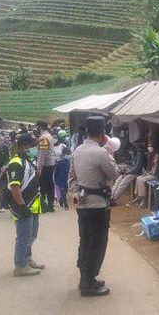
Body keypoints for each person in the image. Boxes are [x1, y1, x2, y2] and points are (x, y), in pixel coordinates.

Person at [68, 116, 120, 297]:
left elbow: (72, 177)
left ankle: (85, 278)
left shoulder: (77, 151)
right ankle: (88, 283)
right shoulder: (101, 153)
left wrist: (76, 193)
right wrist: (110, 154)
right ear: (103, 133)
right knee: (97, 243)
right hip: (98, 205)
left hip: (82, 204)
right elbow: (115, 173)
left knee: (85, 241)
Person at [5, 133, 44, 277]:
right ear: (24, 146)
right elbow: (14, 187)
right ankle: (20, 265)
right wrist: (21, 205)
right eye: (33, 146)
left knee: (31, 235)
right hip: (23, 205)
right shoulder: (16, 162)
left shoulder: (27, 160)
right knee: (23, 236)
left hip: (33, 204)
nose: (35, 148)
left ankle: (27, 259)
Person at [129, 143, 159, 208]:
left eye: (151, 146)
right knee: (138, 178)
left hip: (156, 175)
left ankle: (144, 198)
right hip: (151, 173)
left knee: (142, 180)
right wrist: (147, 173)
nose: (149, 148)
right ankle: (139, 196)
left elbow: (155, 169)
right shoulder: (151, 155)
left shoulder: (157, 155)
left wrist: (149, 173)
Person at [36, 121, 57, 212]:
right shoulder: (49, 136)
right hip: (51, 163)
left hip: (45, 165)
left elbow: (42, 154)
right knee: (50, 185)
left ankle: (43, 205)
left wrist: (39, 168)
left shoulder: (44, 138)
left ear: (39, 128)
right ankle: (50, 205)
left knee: (43, 185)